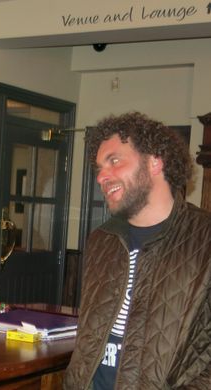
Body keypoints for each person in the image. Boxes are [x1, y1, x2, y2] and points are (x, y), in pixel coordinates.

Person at [64, 112, 211, 389]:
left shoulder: (204, 239)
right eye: (99, 168)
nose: (101, 177)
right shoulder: (101, 241)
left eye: (114, 161)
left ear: (155, 161)